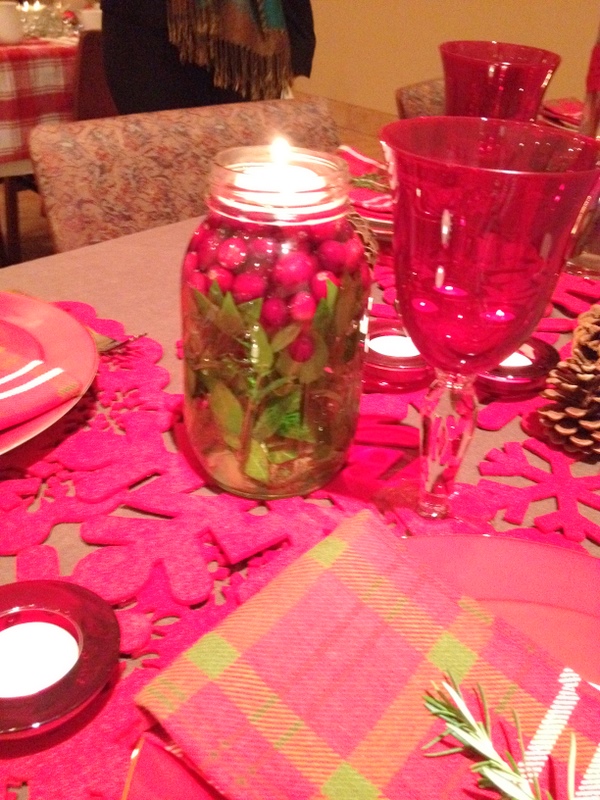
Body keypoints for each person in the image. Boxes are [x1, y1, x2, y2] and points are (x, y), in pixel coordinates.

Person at [100, 0, 316, 115]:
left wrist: (297, 43)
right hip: (146, 32)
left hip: (246, 47)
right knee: (161, 163)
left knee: (240, 167)